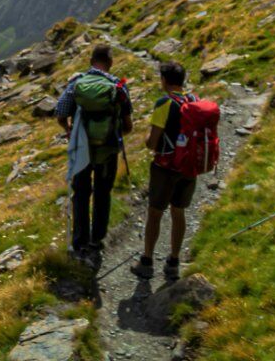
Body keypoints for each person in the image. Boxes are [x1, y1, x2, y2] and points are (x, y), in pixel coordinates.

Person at [57, 44, 132, 260]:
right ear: (110, 63)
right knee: (102, 192)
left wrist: (69, 131)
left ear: (91, 61)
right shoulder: (117, 86)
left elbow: (60, 113)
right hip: (107, 151)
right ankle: (97, 239)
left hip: (82, 150)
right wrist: (112, 134)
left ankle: (79, 242)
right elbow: (128, 125)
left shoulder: (76, 84)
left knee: (81, 194)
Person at [132, 62, 195, 281]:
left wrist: (146, 138)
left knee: (155, 212)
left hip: (165, 168)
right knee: (179, 212)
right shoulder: (193, 101)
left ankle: (147, 261)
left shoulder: (165, 103)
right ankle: (173, 261)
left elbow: (152, 143)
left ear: (165, 80)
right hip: (189, 167)